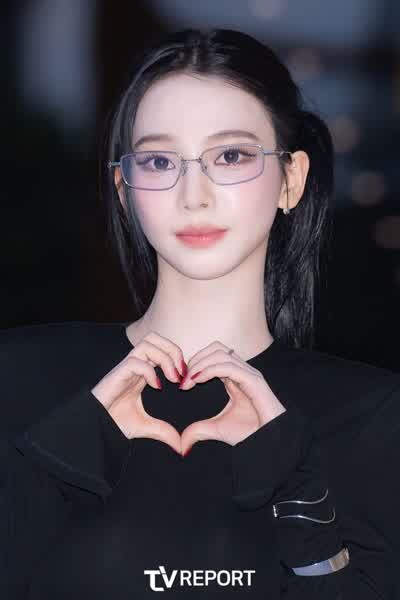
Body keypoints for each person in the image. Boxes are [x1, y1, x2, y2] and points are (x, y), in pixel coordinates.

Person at [1, 27, 400, 599]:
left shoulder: (374, 417)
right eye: (160, 161)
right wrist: (62, 460)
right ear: (124, 189)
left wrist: (302, 504)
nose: (194, 195)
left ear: (291, 180)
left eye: (231, 155)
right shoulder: (19, 377)